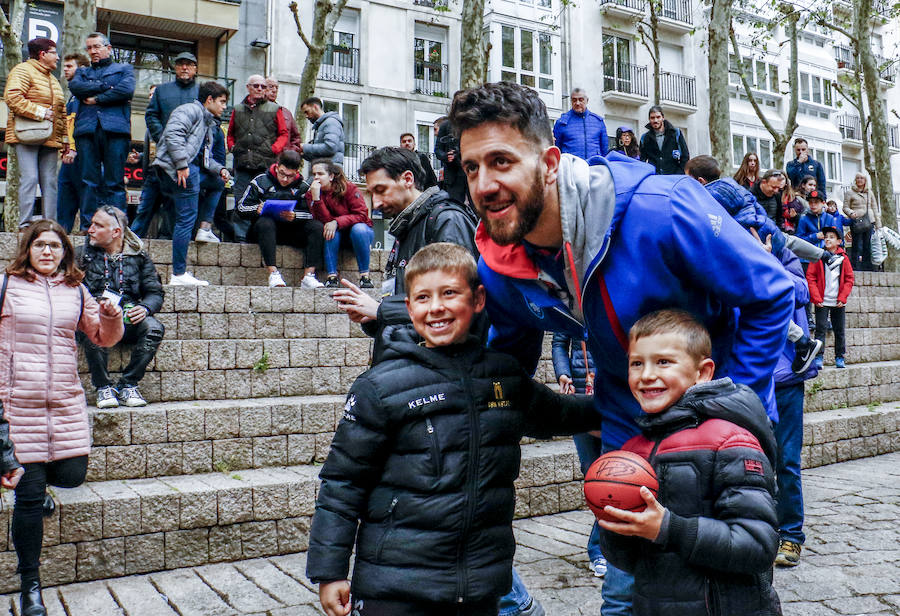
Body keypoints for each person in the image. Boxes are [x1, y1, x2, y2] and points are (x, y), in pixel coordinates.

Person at [450, 81, 793, 616]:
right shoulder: (500, 266)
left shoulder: (664, 208)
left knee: (724, 589)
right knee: (626, 589)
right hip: (628, 440)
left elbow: (771, 295)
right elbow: (506, 371)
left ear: (549, 161)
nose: (485, 184)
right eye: (472, 168)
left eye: (501, 161)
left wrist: (732, 410)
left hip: (720, 441)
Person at [306, 242, 599, 616]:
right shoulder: (379, 388)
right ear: (408, 308)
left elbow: (561, 414)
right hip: (395, 588)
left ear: (478, 300)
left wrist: (627, 406)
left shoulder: (504, 376)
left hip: (479, 586)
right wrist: (329, 572)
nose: (436, 307)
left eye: (449, 293)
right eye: (423, 297)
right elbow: (342, 483)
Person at [596, 309, 781, 616]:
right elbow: (630, 561)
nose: (646, 375)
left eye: (663, 362)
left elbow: (758, 545)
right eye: (636, 363)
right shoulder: (633, 450)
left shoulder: (730, 441)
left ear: (703, 372)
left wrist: (668, 528)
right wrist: (614, 523)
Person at [0, 220, 123, 616]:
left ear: (65, 252)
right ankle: (30, 585)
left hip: (65, 404)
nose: (48, 252)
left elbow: (103, 338)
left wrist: (109, 315)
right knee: (30, 497)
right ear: (28, 249)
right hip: (19, 404)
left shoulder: (76, 290)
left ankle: (37, 489)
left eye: (55, 246)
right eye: (40, 245)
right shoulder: (7, 286)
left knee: (73, 475)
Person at [331, 147, 478, 364]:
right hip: (407, 363)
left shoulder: (446, 220)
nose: (376, 203)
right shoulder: (406, 226)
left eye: (381, 190)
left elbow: (456, 304)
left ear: (407, 179)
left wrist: (381, 311)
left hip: (436, 370)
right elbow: (407, 305)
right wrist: (372, 317)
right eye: (372, 193)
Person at [77, 206, 165, 408]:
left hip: (127, 318)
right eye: (92, 224)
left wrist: (144, 308)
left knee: (154, 328)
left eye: (98, 226)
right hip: (95, 318)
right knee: (91, 322)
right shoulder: (81, 255)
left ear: (116, 232)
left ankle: (129, 384)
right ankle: (102, 387)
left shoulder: (139, 257)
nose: (90, 229)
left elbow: (155, 292)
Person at [152, 81, 232, 286]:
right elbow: (172, 134)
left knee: (217, 183)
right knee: (185, 219)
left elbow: (205, 158)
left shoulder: (207, 122)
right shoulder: (189, 110)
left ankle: (205, 227)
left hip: (191, 170)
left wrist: (220, 169)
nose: (224, 107)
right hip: (179, 171)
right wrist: (180, 165)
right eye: (222, 102)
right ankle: (179, 274)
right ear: (209, 100)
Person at [771, 233, 820, 569]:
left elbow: (801, 292)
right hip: (748, 381)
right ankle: (759, 530)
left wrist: (766, 260)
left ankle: (791, 535)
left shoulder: (782, 254)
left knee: (787, 461)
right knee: (751, 462)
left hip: (786, 379)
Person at [551, 332, 606, 578]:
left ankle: (599, 549)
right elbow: (559, 343)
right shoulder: (570, 302)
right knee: (592, 473)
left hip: (614, 397)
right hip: (582, 397)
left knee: (611, 476)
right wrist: (563, 374)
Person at [132, 52, 201, 242]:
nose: (184, 68)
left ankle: (171, 241)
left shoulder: (202, 92)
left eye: (189, 64)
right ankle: (131, 242)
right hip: (161, 161)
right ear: (175, 68)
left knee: (178, 208)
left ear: (195, 68)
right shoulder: (162, 91)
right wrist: (164, 138)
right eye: (180, 64)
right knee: (146, 206)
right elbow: (151, 115)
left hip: (188, 160)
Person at [68, 32, 135, 221]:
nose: (93, 51)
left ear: (108, 48)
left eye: (97, 46)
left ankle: (117, 224)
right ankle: (88, 223)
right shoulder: (82, 72)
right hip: (86, 130)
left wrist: (97, 98)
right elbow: (76, 88)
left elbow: (126, 90)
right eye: (89, 48)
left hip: (115, 130)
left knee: (114, 181)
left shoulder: (124, 68)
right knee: (89, 181)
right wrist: (107, 87)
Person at [236, 150, 325, 289]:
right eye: (282, 173)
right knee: (266, 222)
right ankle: (273, 274)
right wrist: (256, 209)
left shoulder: (302, 187)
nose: (284, 179)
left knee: (317, 227)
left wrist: (295, 216)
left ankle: (308, 277)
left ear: (296, 172)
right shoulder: (260, 181)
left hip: (291, 231)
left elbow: (312, 214)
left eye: (290, 176)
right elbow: (240, 208)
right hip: (263, 231)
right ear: (277, 167)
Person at [3, 37, 67, 228]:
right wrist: (40, 112)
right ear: (43, 54)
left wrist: (65, 141)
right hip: (26, 135)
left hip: (51, 138)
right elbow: (12, 97)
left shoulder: (54, 79)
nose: (57, 57)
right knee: (30, 178)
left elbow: (61, 113)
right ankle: (24, 226)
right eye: (54, 52)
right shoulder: (22, 70)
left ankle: (50, 225)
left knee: (50, 182)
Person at [227, 74, 291, 242]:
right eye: (256, 86)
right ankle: (240, 237)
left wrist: (274, 149)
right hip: (242, 163)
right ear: (248, 87)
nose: (260, 89)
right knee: (241, 199)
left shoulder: (274, 109)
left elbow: (284, 133)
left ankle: (259, 236)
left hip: (265, 164)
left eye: (263, 86)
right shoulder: (238, 109)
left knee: (264, 200)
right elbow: (230, 132)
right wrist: (232, 147)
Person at [308, 159, 374, 289]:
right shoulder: (313, 193)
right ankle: (331, 277)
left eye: (320, 174)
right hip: (335, 236)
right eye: (314, 174)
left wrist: (337, 222)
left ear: (331, 176)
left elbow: (361, 215)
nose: (316, 177)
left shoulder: (349, 188)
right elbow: (323, 221)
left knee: (358, 229)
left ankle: (365, 277)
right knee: (329, 230)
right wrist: (317, 199)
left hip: (359, 234)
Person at [807, 227, 854, 370]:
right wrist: (816, 297)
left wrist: (843, 297)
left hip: (838, 302)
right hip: (822, 301)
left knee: (839, 330)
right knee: (820, 330)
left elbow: (849, 279)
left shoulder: (843, 258)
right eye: (826, 236)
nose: (828, 239)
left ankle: (840, 356)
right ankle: (819, 356)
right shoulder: (819, 257)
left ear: (839, 241)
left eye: (832, 237)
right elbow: (811, 277)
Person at [57, 53, 91, 233]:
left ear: (82, 69)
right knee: (64, 201)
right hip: (68, 157)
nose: (65, 69)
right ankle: (61, 236)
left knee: (86, 196)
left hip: (82, 156)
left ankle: (87, 234)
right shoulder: (71, 96)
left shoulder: (87, 95)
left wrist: (74, 149)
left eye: (70, 66)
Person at [552, 88, 609, 160]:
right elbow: (556, 149)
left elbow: (604, 149)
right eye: (574, 100)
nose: (577, 103)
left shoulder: (598, 122)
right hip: (571, 167)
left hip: (594, 166)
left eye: (581, 99)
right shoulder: (562, 122)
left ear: (587, 100)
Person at [842, 172, 882, 272]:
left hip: (869, 221)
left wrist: (878, 223)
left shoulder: (870, 192)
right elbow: (845, 207)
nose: (859, 180)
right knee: (856, 244)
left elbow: (875, 207)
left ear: (865, 180)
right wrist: (851, 213)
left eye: (862, 178)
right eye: (858, 178)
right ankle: (855, 266)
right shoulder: (850, 193)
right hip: (857, 221)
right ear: (855, 180)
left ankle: (868, 266)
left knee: (868, 244)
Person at [639, 105, 689, 175]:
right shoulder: (644, 138)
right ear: (649, 119)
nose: (655, 120)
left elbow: (685, 157)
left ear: (663, 118)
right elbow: (642, 160)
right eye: (652, 118)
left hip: (673, 178)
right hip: (655, 179)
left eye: (658, 117)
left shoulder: (676, 133)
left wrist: (679, 174)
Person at [299, 96, 345, 165]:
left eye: (307, 112)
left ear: (315, 107)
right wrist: (302, 153)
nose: (306, 116)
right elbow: (320, 154)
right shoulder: (322, 125)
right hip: (325, 170)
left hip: (330, 170)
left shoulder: (331, 122)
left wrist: (304, 147)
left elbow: (330, 147)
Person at [435, 117, 469, 204]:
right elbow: (438, 150)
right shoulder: (446, 125)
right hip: (453, 174)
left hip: (470, 171)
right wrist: (446, 156)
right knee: (455, 205)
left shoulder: (473, 123)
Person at [266, 77, 304, 153]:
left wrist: (290, 153)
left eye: (276, 88)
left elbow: (296, 138)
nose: (274, 90)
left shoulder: (286, 113)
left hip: (282, 160)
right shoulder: (254, 110)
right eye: (271, 87)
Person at [796, 190, 834, 255]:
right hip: (808, 255)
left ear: (823, 203)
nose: (813, 205)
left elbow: (836, 237)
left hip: (826, 254)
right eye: (810, 202)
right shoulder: (804, 218)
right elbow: (798, 239)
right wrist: (814, 236)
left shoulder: (829, 218)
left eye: (816, 202)